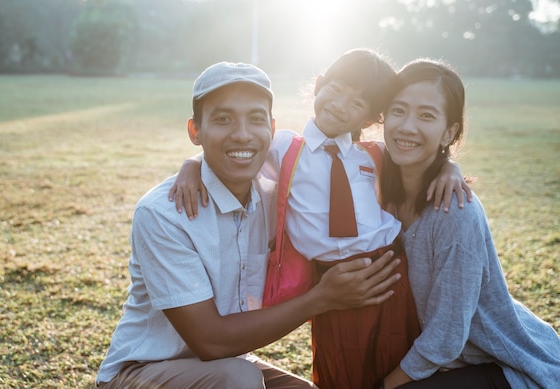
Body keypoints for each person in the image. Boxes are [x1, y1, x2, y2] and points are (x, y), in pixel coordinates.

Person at [169, 49, 471, 389]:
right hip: (332, 285)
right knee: (339, 370)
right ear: (318, 84)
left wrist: (450, 167)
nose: (341, 105)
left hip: (388, 276)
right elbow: (237, 147)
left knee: (392, 366)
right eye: (337, 89)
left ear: (369, 120)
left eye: (358, 104)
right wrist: (191, 165)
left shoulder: (374, 155)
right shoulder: (284, 148)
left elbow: (422, 159)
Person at [95, 61, 405, 389]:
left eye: (255, 119)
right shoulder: (163, 214)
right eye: (223, 119)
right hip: (145, 370)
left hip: (227, 363)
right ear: (195, 132)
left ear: (271, 129)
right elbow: (209, 341)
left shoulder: (277, 198)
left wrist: (446, 169)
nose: (242, 133)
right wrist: (322, 298)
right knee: (240, 380)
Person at [378, 58, 560, 389]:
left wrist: (387, 385)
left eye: (426, 115)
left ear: (450, 131)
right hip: (454, 363)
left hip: (507, 364)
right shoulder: (376, 178)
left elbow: (446, 336)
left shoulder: (454, 212)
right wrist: (450, 165)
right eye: (398, 110)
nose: (406, 126)